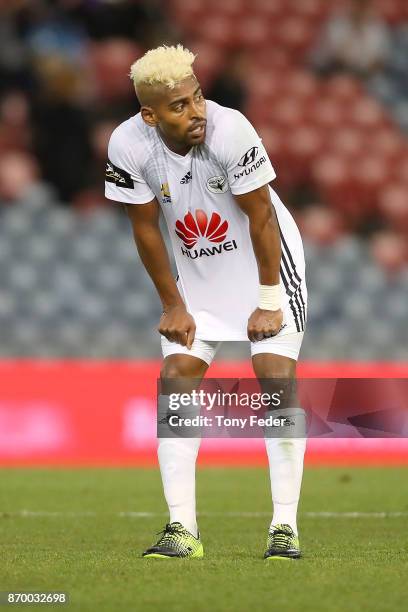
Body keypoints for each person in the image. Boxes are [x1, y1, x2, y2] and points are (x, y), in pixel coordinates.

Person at [105, 45, 307, 560]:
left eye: (197, 96)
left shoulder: (230, 128)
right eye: (178, 106)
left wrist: (266, 300)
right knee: (176, 381)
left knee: (274, 375)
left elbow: (261, 216)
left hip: (266, 262)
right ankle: (182, 530)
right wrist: (173, 303)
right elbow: (144, 228)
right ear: (149, 115)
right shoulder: (127, 144)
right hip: (199, 268)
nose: (195, 111)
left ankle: (284, 526)